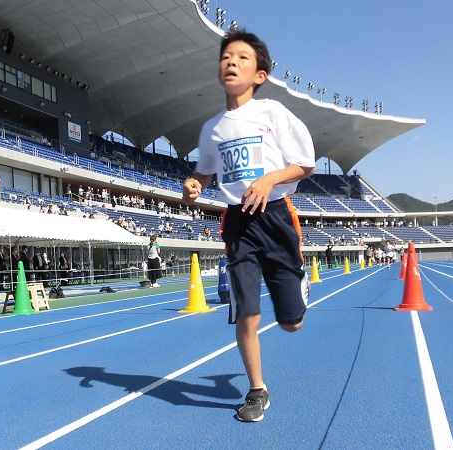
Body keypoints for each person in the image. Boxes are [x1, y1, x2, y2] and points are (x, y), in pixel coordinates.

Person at [182, 29, 315, 422]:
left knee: (292, 324)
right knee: (246, 313)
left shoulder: (271, 112)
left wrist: (269, 178)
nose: (232, 62)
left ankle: (296, 283)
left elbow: (305, 164)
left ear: (259, 75)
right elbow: (205, 172)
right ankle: (257, 390)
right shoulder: (212, 129)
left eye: (242, 57)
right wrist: (195, 185)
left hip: (275, 215)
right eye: (227, 56)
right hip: (238, 222)